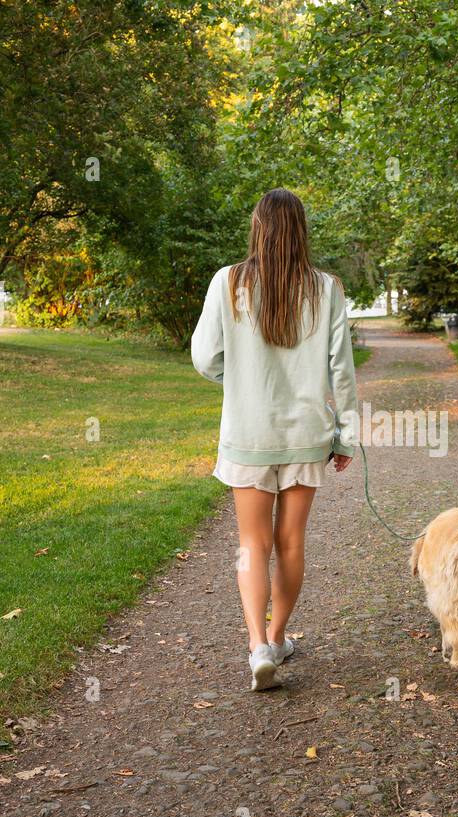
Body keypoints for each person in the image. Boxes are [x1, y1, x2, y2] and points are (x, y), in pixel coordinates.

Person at [191, 188, 359, 690]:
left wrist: (239, 381)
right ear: (301, 230)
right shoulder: (326, 288)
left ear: (258, 227)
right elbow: (341, 370)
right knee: (290, 542)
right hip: (306, 434)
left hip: (248, 434)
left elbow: (204, 358)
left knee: (252, 543)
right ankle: (278, 636)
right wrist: (346, 436)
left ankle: (257, 646)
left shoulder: (227, 281)